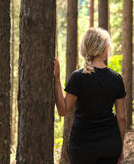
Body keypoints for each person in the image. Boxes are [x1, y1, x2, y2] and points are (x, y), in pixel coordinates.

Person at [54, 27, 127, 164]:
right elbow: (122, 117)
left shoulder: (78, 77)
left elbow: (63, 110)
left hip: (81, 146)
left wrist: (57, 80)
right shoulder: (116, 78)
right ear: (104, 48)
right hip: (109, 144)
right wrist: (120, 146)